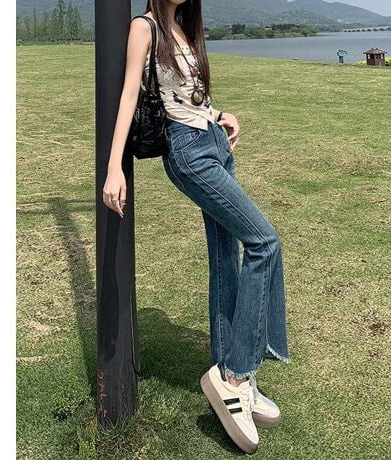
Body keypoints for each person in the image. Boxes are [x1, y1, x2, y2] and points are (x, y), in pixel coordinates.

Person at [102, 0, 291, 453]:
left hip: (213, 142)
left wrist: (219, 114)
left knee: (226, 257)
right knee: (264, 242)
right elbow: (129, 95)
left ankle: (229, 372)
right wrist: (113, 166)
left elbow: (187, 94)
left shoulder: (184, 27)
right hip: (189, 154)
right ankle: (237, 376)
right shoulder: (145, 27)